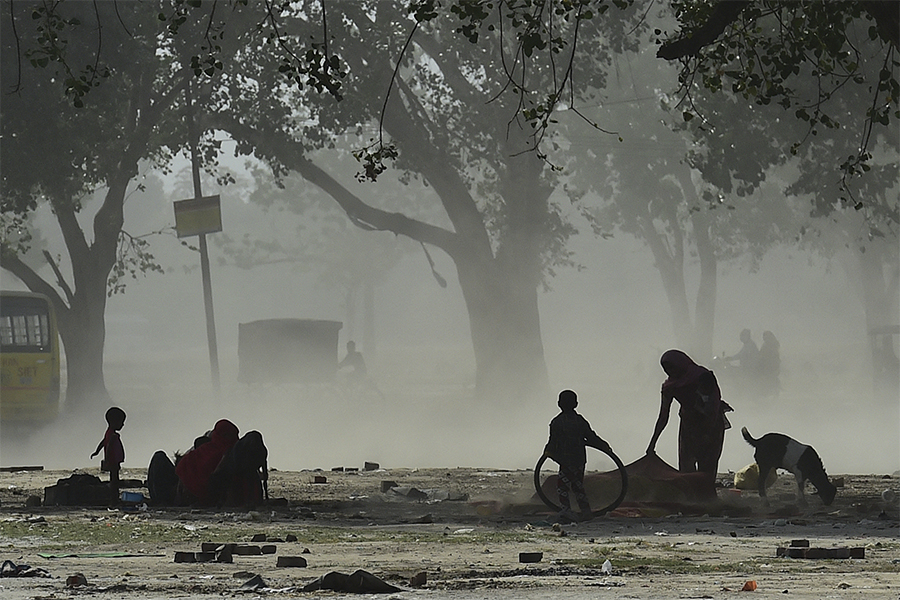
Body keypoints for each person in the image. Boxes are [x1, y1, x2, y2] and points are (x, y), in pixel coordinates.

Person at [646, 350, 732, 479]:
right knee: (686, 467)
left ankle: (705, 496)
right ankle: (690, 496)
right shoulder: (669, 387)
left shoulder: (702, 376)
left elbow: (712, 406)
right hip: (689, 426)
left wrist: (707, 431)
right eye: (666, 369)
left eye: (672, 367)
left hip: (710, 425)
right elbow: (663, 417)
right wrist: (652, 444)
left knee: (707, 465)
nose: (670, 371)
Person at [543, 389, 612, 523]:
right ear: (576, 404)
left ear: (559, 404)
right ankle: (585, 511)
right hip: (579, 460)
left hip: (565, 460)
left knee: (562, 486)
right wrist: (604, 445)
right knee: (577, 485)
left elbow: (552, 442)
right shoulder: (580, 421)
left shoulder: (557, 422)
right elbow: (591, 437)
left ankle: (567, 511)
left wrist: (548, 452)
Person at [175, 419, 240, 506]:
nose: (233, 439)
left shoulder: (232, 455)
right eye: (228, 435)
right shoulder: (203, 451)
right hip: (190, 497)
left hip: (196, 498)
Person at [90, 406, 126, 506]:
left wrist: (96, 452)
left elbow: (103, 442)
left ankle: (114, 499)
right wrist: (107, 458)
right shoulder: (113, 435)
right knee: (114, 481)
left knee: (114, 479)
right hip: (113, 460)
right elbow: (108, 445)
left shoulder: (109, 433)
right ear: (115, 422)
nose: (123, 425)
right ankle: (114, 499)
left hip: (113, 460)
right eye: (121, 422)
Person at [756, 330, 781, 397]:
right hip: (768, 367)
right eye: (764, 336)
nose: (764, 338)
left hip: (769, 368)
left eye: (766, 336)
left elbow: (768, 357)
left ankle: (764, 394)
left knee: (764, 380)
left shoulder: (771, 346)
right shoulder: (768, 345)